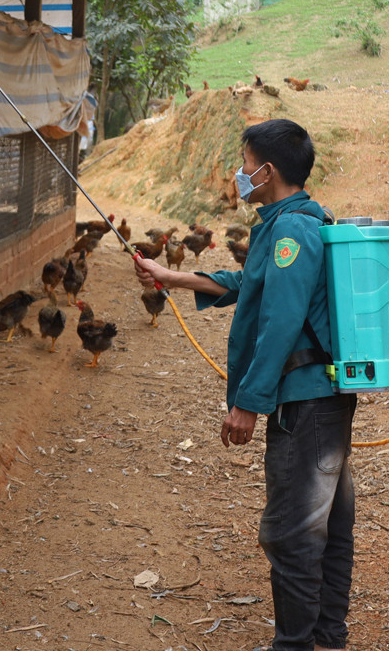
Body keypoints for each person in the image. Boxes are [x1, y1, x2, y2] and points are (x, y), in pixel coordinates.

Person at [133, 118, 354, 651]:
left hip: (303, 406)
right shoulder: (284, 222)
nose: (241, 174)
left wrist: (248, 404)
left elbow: (280, 320)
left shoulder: (292, 231)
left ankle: (296, 645)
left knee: (294, 531)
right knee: (328, 524)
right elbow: (248, 284)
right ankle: (324, 639)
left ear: (269, 171)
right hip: (319, 404)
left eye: (247, 165)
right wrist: (171, 277)